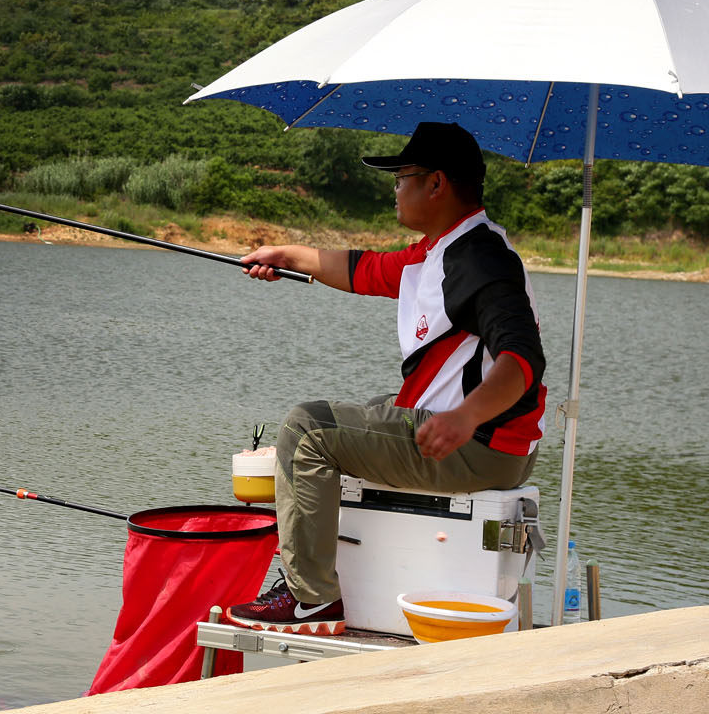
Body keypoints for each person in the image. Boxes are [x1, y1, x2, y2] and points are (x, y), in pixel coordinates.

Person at [225, 121, 547, 636]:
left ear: (436, 183)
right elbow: (364, 270)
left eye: (401, 178)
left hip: (479, 446)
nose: (394, 189)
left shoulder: (482, 262)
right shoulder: (445, 248)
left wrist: (465, 417)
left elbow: (523, 360)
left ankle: (311, 599)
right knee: (372, 408)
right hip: (491, 442)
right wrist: (287, 256)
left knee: (305, 428)